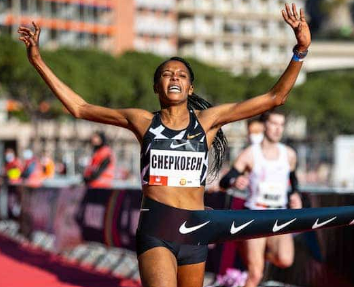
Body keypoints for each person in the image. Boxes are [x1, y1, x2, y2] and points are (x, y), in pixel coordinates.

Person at [17, 3, 310, 286]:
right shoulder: (143, 121)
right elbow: (80, 108)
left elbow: (275, 98)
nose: (174, 78)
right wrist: (38, 61)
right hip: (156, 228)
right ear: (157, 87)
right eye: (167, 74)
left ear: (190, 88)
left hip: (196, 229)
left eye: (181, 75)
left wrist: (300, 51)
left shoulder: (208, 122)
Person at [219, 110, 302, 287]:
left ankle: (253, 249)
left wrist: (294, 195)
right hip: (255, 215)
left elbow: (293, 181)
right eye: (274, 124)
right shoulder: (250, 154)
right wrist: (236, 181)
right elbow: (225, 181)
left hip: (279, 213)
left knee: (285, 259)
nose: (278, 129)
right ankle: (252, 249)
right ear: (264, 125)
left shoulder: (289, 154)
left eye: (281, 125)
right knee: (255, 274)